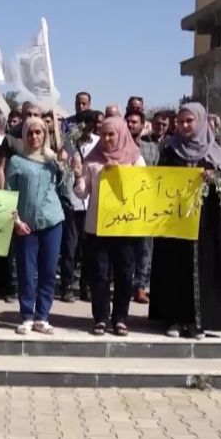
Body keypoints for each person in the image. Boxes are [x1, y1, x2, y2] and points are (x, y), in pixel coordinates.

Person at [149, 103, 221, 339]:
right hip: (174, 220)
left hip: (205, 222)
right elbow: (156, 180)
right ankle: (174, 319)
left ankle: (199, 322)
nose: (185, 126)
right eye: (181, 121)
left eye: (190, 121)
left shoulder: (214, 152)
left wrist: (214, 177)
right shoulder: (169, 150)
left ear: (201, 121)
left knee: (203, 267)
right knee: (174, 266)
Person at [71, 116, 145, 336]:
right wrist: (77, 176)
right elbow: (82, 192)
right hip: (97, 228)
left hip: (124, 228)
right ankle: (101, 317)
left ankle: (120, 317)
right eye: (103, 134)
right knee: (99, 275)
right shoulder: (93, 159)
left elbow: (142, 188)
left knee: (124, 274)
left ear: (121, 133)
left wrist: (121, 173)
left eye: (112, 134)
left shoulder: (135, 158)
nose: (107, 138)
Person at [6, 117, 72, 334]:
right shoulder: (16, 161)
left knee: (48, 271)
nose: (35, 136)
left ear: (45, 134)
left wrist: (67, 167)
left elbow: (67, 190)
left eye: (39, 132)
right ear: (24, 135)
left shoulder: (53, 160)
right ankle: (27, 314)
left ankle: (42, 316)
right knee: (26, 270)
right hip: (26, 224)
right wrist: (15, 221)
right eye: (30, 132)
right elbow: (8, 194)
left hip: (52, 221)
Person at [60, 110, 102, 302]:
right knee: (70, 245)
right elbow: (61, 161)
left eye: (92, 124)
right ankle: (67, 285)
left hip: (91, 202)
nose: (89, 127)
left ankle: (86, 285)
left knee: (88, 248)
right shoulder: (68, 141)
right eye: (85, 123)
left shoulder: (98, 142)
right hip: (73, 198)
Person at [125, 110, 158, 304]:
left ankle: (140, 287)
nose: (130, 125)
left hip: (146, 204)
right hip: (123, 206)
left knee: (146, 248)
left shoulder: (152, 148)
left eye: (134, 122)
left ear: (142, 125)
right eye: (127, 122)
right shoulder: (116, 147)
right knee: (126, 250)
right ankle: (125, 285)